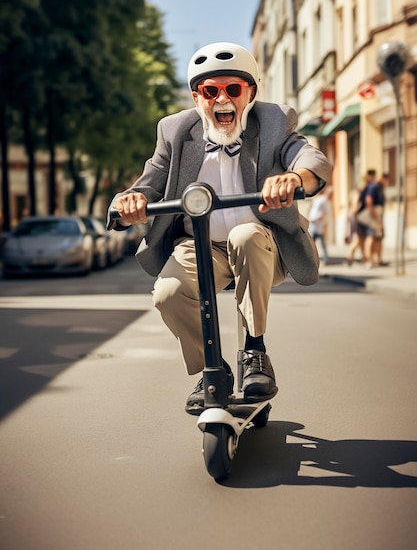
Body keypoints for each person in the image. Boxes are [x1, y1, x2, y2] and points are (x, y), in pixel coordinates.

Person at [108, 42, 332, 412]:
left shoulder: (274, 121)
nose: (222, 100)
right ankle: (213, 370)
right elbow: (149, 182)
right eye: (211, 91)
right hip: (201, 245)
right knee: (167, 293)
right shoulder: (175, 131)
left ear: (251, 93)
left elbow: (310, 157)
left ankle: (254, 352)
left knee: (244, 236)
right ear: (198, 98)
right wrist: (126, 201)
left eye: (233, 89)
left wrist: (295, 178)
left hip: (262, 243)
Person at [308, 186, 331, 265]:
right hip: (316, 224)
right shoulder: (322, 200)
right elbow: (319, 212)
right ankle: (311, 259)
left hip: (317, 224)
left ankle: (324, 259)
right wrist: (317, 218)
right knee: (313, 244)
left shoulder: (323, 200)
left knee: (317, 244)